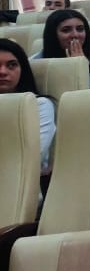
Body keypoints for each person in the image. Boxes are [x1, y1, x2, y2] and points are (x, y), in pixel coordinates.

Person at [0, 37, 55, 174]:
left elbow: (31, 156)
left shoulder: (40, 105)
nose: (3, 72)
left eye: (11, 65)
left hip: (20, 182)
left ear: (22, 69)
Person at [33, 8, 90, 87]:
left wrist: (80, 66)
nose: (75, 35)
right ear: (53, 35)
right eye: (66, 30)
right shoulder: (34, 63)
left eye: (80, 29)